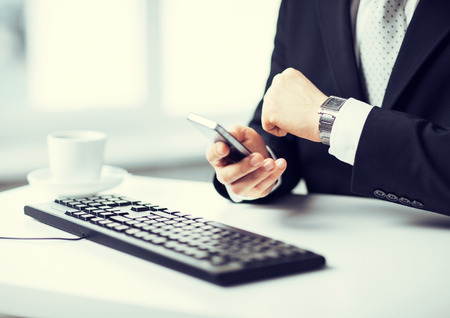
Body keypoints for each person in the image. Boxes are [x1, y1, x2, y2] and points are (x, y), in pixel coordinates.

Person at [206, 0, 450, 216]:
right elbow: (281, 119)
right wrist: (258, 164)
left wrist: (333, 120)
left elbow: (313, 114)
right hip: (326, 245)